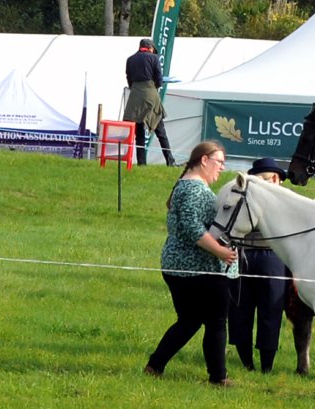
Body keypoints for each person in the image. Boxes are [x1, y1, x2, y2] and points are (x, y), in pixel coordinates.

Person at [145, 140, 236, 384]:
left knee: (189, 321)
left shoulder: (188, 186)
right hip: (197, 268)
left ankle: (155, 366)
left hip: (183, 267)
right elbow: (192, 227)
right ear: (204, 160)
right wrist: (220, 251)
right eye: (219, 163)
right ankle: (218, 378)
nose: (221, 168)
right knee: (216, 321)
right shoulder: (195, 188)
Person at [230, 156, 293, 372]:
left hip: (267, 256)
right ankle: (250, 363)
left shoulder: (286, 200)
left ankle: (263, 365)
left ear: (276, 178)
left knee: (266, 310)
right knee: (245, 309)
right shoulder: (248, 196)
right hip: (251, 255)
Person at [124, 39, 176, 166]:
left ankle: (141, 163)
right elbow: (159, 79)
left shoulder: (130, 59)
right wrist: (154, 87)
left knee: (139, 133)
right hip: (150, 95)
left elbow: (129, 78)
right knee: (160, 131)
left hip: (135, 96)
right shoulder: (154, 58)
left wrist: (135, 88)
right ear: (149, 48)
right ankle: (170, 161)